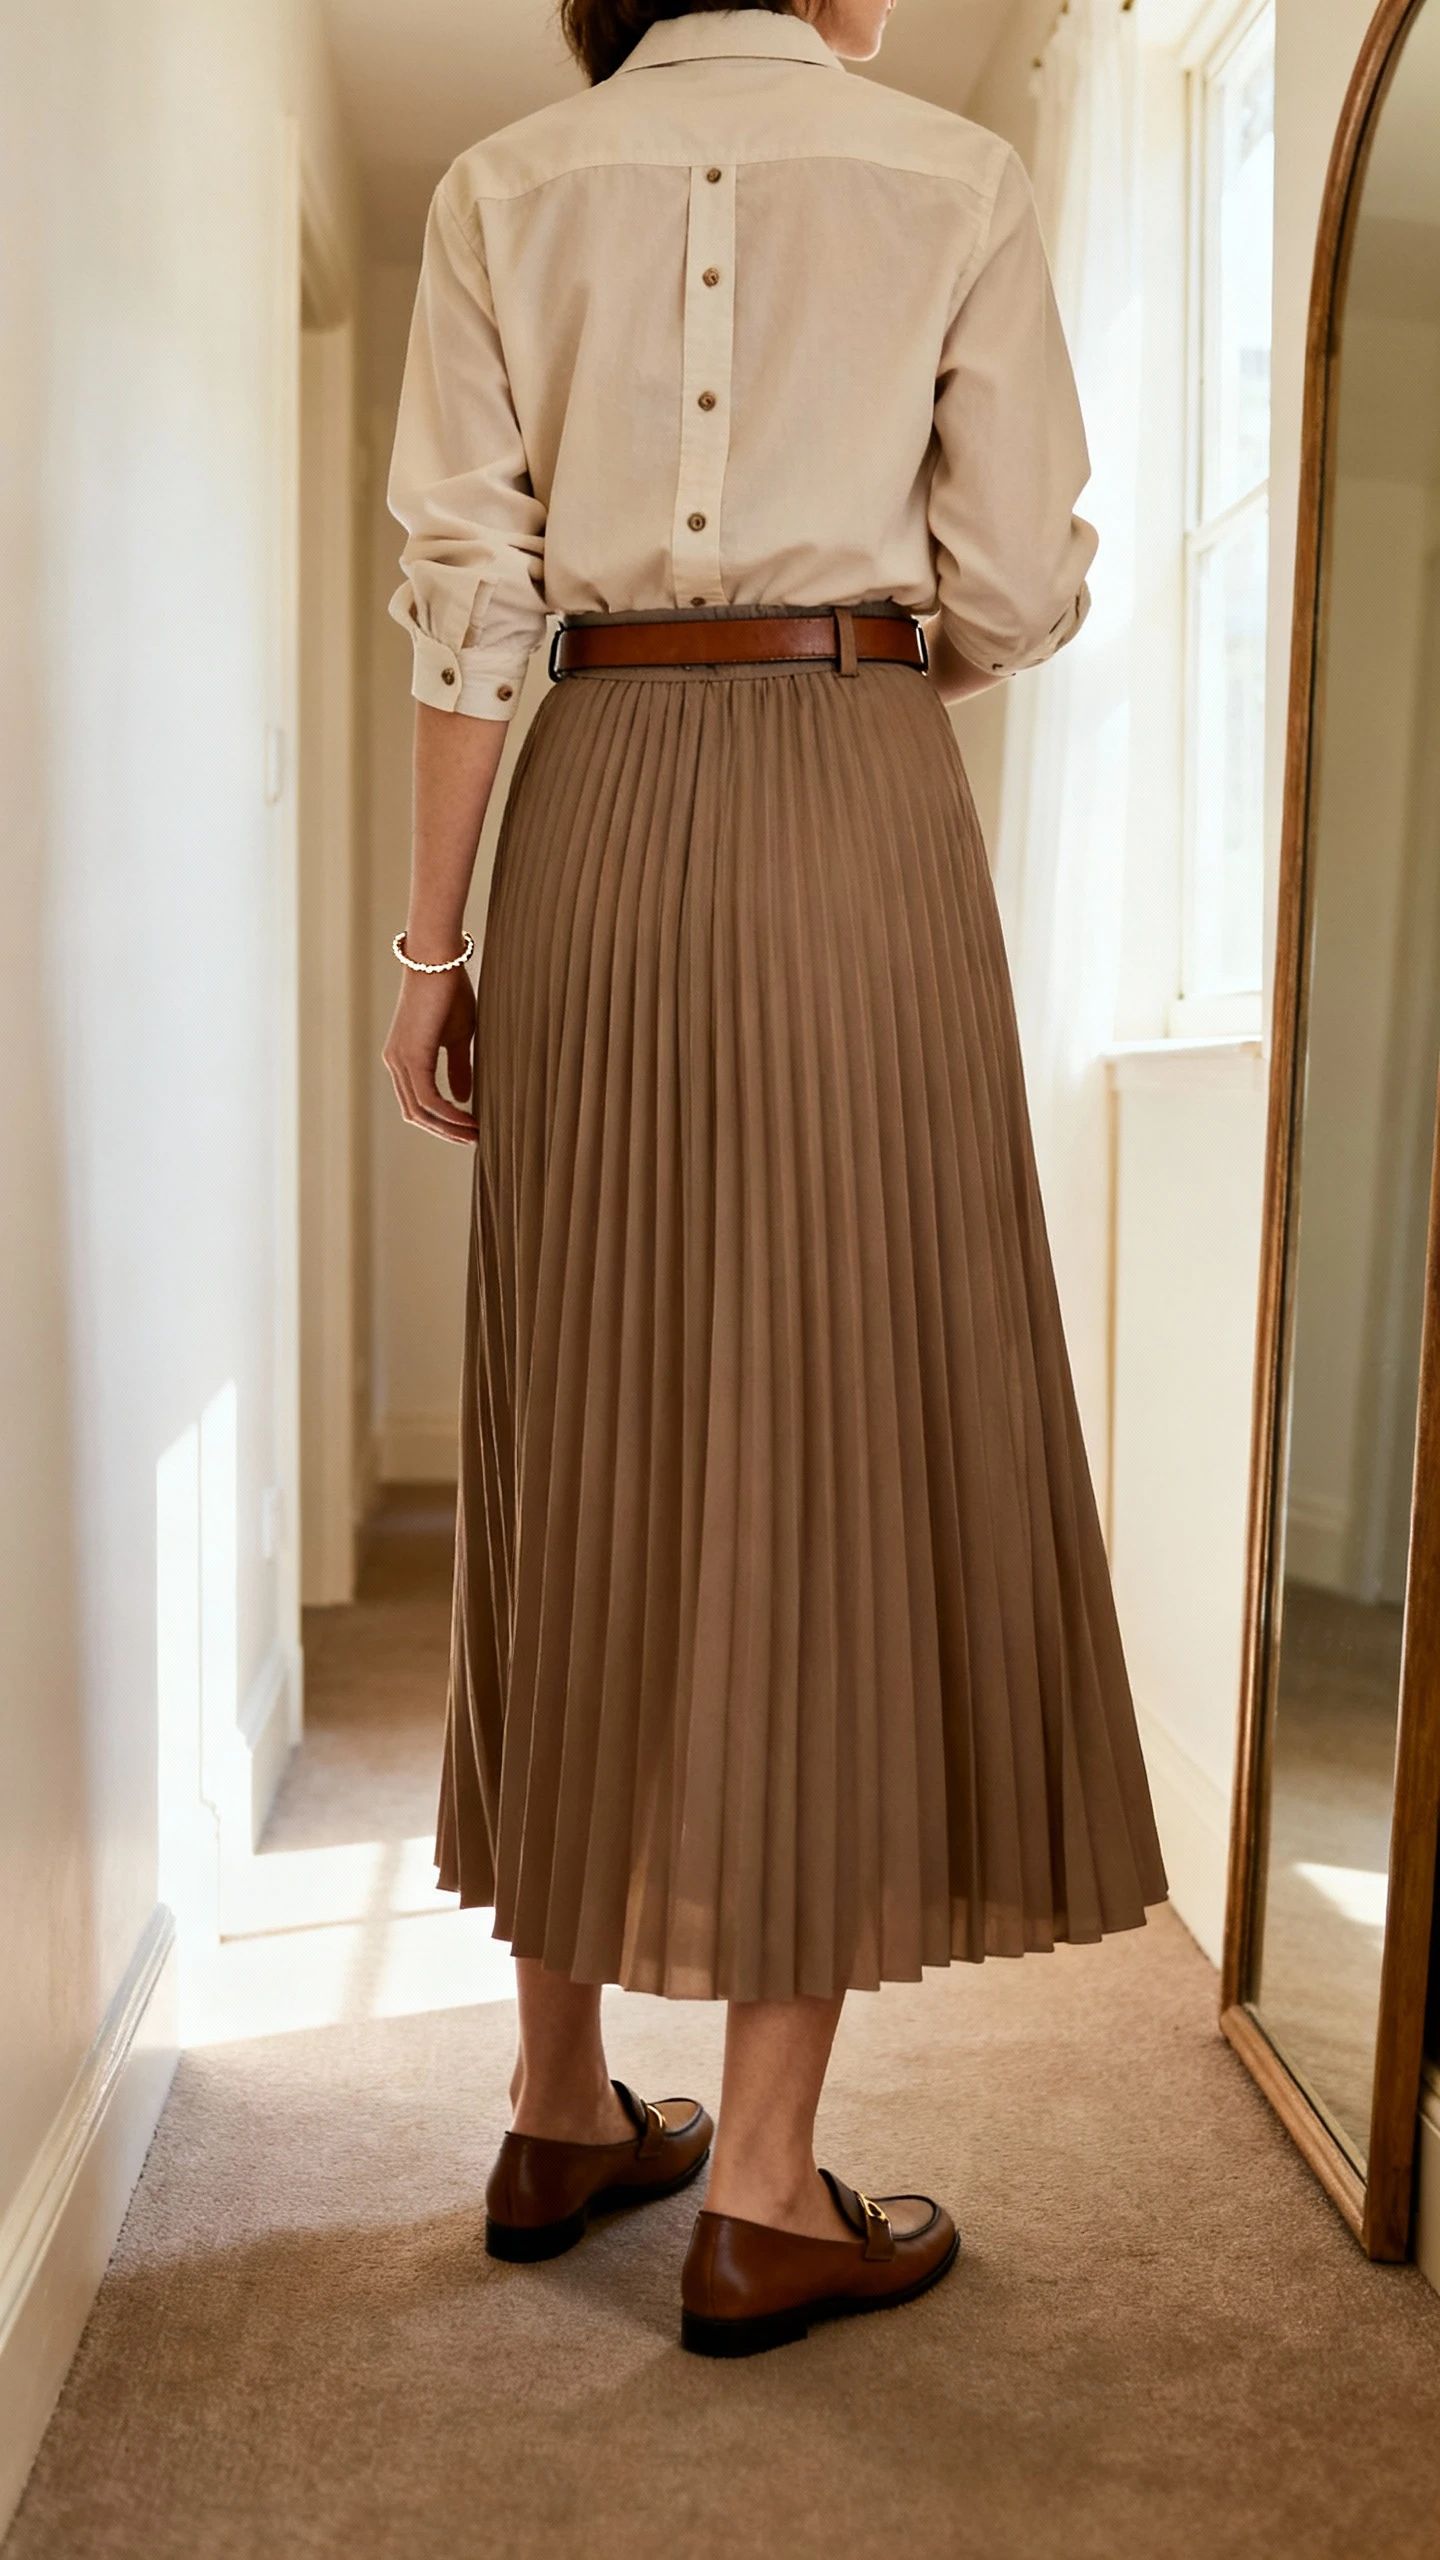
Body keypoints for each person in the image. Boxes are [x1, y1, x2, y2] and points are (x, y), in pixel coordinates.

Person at [383, 0, 1167, 2360]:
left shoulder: (504, 189)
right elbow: (1013, 587)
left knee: (578, 1414)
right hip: (850, 789)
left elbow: (468, 596)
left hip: (593, 797)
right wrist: (823, 679)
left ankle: (551, 2102)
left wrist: (434, 946)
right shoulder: (954, 178)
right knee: (827, 1439)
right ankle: (757, 2179)